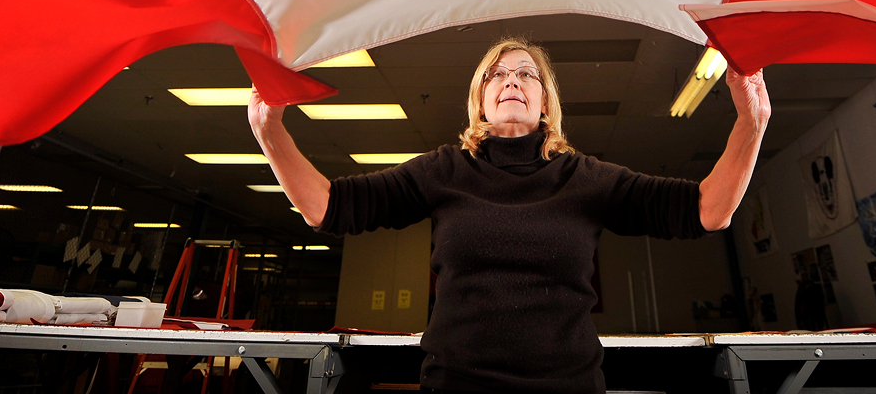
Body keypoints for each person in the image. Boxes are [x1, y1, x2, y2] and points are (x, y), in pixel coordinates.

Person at [248, 37, 770, 393]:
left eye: (526, 74)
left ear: (545, 102)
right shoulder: (443, 171)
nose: (511, 80)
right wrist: (268, 130)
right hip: (457, 384)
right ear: (480, 102)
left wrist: (753, 119)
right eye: (495, 75)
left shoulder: (585, 177)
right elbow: (327, 208)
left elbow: (709, 210)